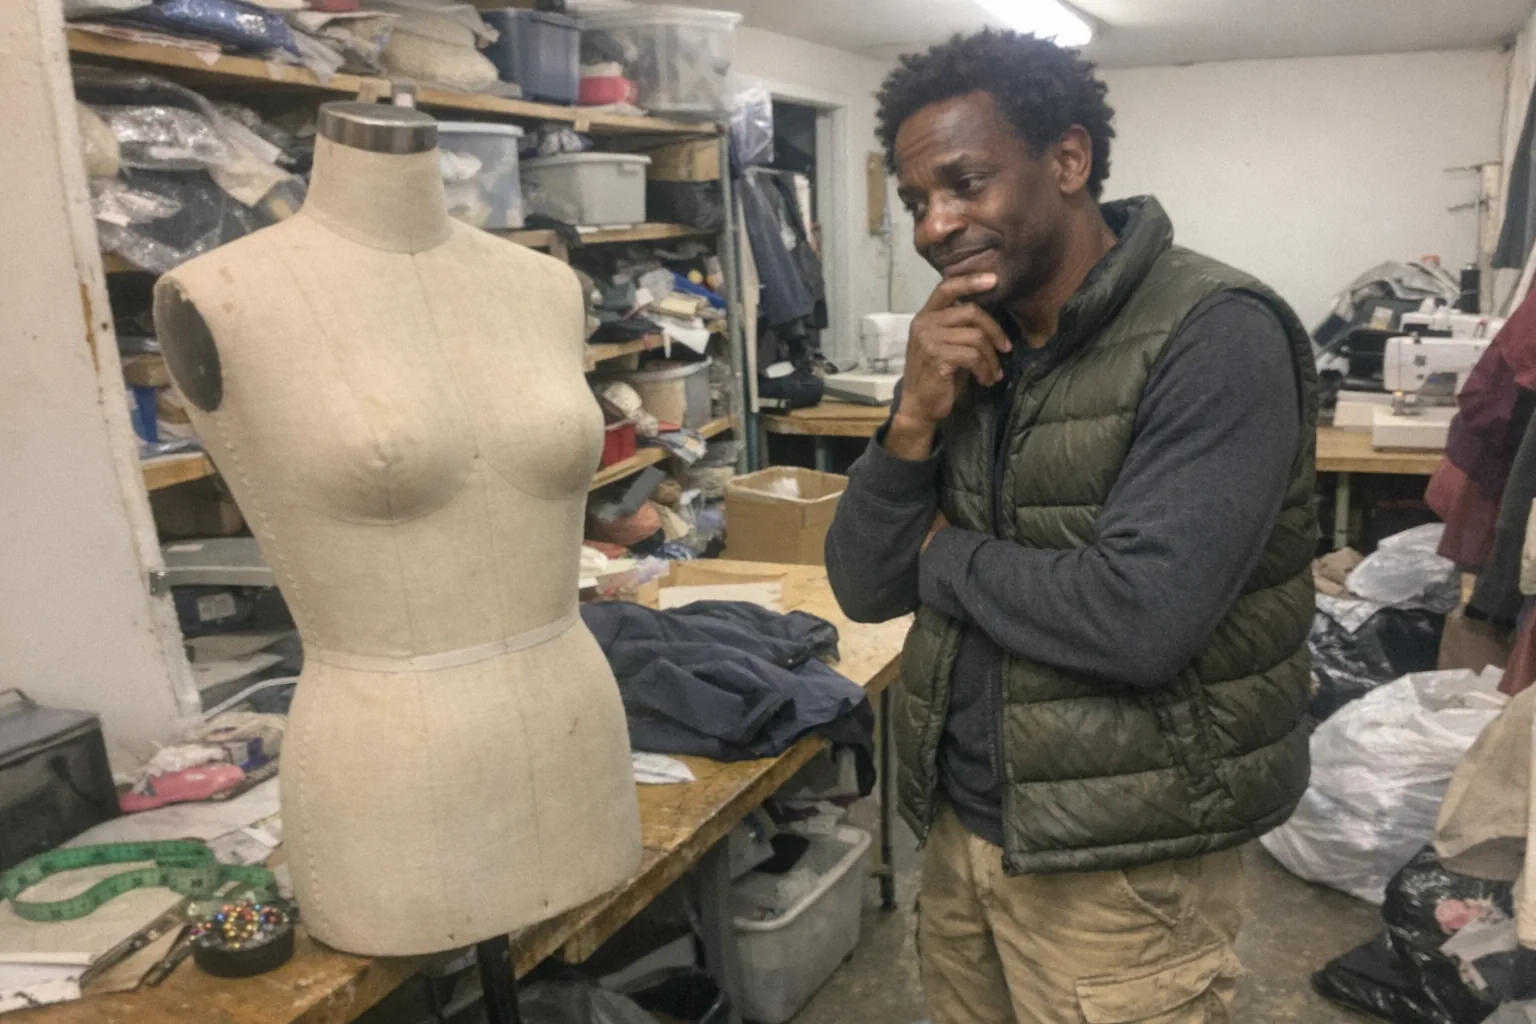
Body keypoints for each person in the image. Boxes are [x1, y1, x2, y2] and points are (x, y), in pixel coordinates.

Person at [825, 29, 1318, 1024]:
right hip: (966, 827)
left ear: (1068, 160)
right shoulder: (971, 339)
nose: (936, 224)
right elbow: (866, 585)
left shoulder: (1216, 334)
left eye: (965, 183)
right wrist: (912, 417)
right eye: (919, 201)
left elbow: (1139, 618)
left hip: (1124, 862)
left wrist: (945, 555)